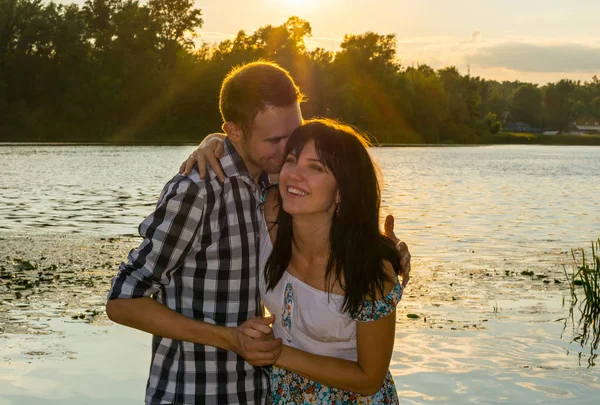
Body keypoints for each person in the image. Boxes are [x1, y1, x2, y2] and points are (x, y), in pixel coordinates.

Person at [106, 61, 303, 405]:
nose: (289, 150)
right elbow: (123, 302)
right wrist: (229, 338)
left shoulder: (277, 183)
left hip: (256, 394)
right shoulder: (198, 191)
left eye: (294, 134)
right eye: (274, 140)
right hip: (194, 394)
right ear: (235, 131)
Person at [195, 118, 406, 404]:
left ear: (343, 191)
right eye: (292, 160)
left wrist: (276, 353)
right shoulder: (271, 211)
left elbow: (369, 379)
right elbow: (253, 142)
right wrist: (210, 142)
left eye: (315, 168)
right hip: (283, 397)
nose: (294, 175)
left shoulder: (369, 269)